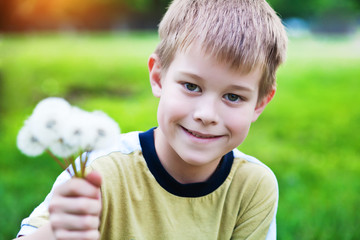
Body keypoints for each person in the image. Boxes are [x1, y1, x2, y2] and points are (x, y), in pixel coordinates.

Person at [16, 0, 287, 239]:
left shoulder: (253, 186)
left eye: (233, 97)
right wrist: (58, 231)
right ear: (158, 77)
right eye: (191, 86)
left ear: (260, 103)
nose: (206, 115)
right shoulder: (98, 172)